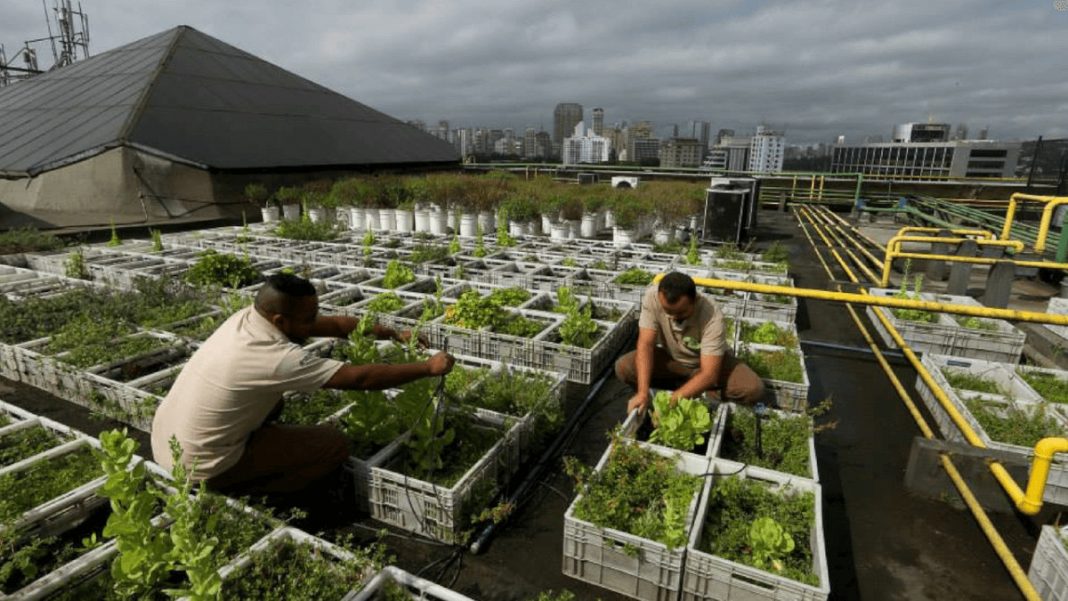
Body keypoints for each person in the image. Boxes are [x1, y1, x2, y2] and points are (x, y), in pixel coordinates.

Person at [150, 272, 454, 495]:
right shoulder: (273, 356)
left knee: (275, 400)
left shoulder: (249, 319)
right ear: (281, 321)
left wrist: (393, 334)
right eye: (309, 318)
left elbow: (336, 326)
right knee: (332, 445)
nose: (314, 322)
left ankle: (249, 461)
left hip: (167, 439)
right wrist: (428, 367)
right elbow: (359, 378)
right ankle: (253, 495)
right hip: (197, 466)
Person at [615, 271, 765, 415]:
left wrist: (671, 402)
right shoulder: (652, 297)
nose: (673, 317)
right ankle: (685, 388)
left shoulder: (711, 315)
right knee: (625, 367)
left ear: (695, 300)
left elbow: (709, 373)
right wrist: (642, 392)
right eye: (667, 311)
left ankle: (699, 392)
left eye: (680, 313)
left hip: (708, 364)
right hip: (674, 360)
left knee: (752, 388)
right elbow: (645, 344)